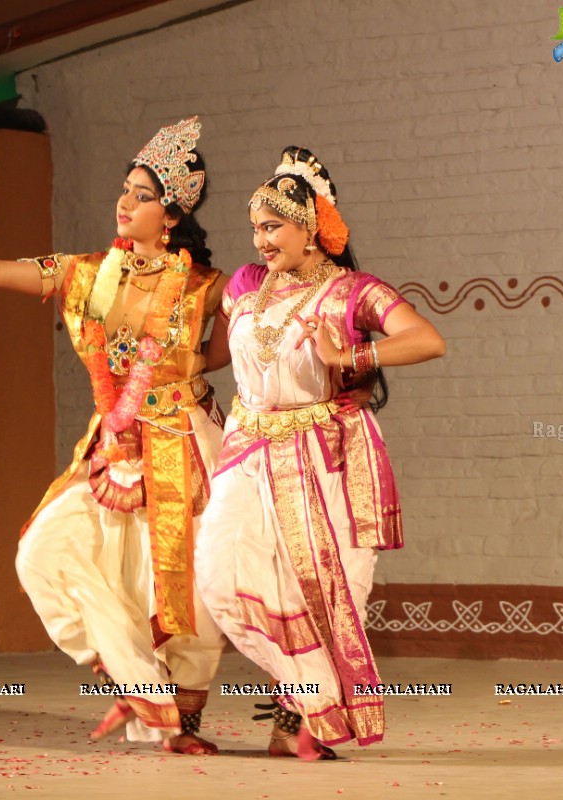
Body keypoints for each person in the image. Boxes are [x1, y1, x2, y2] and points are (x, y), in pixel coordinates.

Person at [0, 118, 227, 754]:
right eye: (124, 189)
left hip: (181, 442)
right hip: (110, 443)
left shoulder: (204, 287)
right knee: (44, 553)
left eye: (140, 194)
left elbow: (223, 350)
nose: (124, 201)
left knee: (178, 585)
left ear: (170, 215)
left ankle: (183, 717)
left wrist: (180, 382)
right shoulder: (84, 275)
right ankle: (143, 689)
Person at [194, 146, 446, 760]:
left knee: (325, 589)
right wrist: (160, 370)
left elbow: (427, 339)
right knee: (221, 577)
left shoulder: (355, 292)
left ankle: (298, 721)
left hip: (328, 453)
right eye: (255, 227)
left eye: (273, 226)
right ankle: (314, 698)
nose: (260, 240)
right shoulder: (245, 286)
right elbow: (220, 354)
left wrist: (353, 357)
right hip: (250, 447)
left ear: (311, 229)